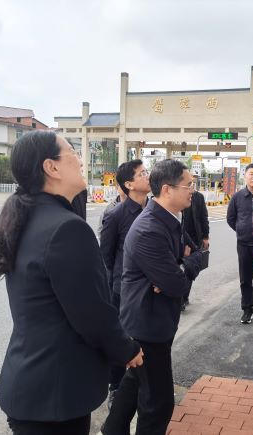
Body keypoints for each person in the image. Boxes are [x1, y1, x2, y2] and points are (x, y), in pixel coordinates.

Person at [0, 130, 143, 435]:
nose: (81, 161)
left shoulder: (30, 216)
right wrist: (127, 350)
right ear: (51, 167)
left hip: (33, 381)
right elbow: (92, 313)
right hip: (55, 393)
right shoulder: (66, 229)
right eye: (73, 153)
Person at [103, 159, 203, 435]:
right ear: (168, 189)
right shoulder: (149, 228)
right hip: (146, 325)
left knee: (134, 381)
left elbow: (199, 254)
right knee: (158, 404)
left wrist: (182, 266)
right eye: (188, 185)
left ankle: (112, 430)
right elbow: (178, 285)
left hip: (157, 319)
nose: (193, 190)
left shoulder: (171, 218)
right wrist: (178, 271)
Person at [100, 159, 150, 408]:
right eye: (142, 173)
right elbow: (106, 258)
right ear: (129, 184)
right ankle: (116, 387)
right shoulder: (116, 215)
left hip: (151, 289)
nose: (148, 176)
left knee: (147, 339)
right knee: (122, 339)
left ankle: (144, 385)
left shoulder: (156, 211)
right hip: (123, 291)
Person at [226, 163, 253, 324]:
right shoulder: (237, 197)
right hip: (243, 245)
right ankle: (247, 310)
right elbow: (231, 218)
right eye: (251, 173)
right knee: (245, 279)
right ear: (245, 176)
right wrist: (241, 230)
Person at [181, 181, 209, 309]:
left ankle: (184, 297)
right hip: (181, 237)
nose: (190, 187)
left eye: (191, 184)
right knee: (179, 267)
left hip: (195, 237)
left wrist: (205, 236)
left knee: (190, 267)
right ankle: (180, 297)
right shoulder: (178, 196)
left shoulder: (198, 197)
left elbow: (204, 217)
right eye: (187, 184)